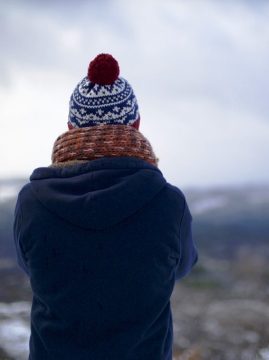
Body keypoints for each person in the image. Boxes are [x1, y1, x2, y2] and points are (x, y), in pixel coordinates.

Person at [13, 53, 198, 360]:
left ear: (71, 127)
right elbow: (182, 266)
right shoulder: (169, 203)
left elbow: (27, 265)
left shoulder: (31, 201)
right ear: (136, 124)